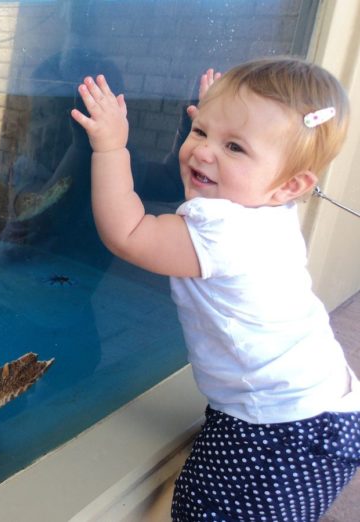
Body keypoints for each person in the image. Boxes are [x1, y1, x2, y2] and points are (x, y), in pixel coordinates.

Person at [71, 57, 360, 521]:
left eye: (235, 147)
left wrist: (111, 148)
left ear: (290, 185)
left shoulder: (221, 230)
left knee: (207, 509)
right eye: (201, 132)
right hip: (329, 407)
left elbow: (127, 232)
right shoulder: (269, 210)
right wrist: (225, 127)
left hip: (276, 433)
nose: (203, 152)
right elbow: (235, 166)